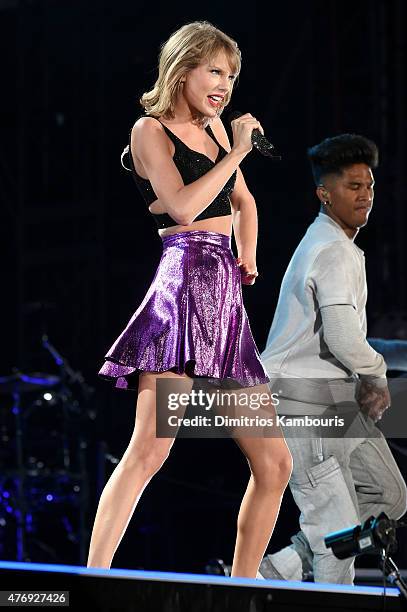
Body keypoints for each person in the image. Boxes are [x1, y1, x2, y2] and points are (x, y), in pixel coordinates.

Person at [87, 21, 292, 577]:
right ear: (183, 69)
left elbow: (244, 201)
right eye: (215, 71)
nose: (225, 84)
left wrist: (247, 255)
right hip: (182, 282)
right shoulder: (149, 130)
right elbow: (180, 207)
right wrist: (237, 155)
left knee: (274, 462)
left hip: (223, 291)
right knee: (151, 450)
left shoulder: (220, 130)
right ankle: (93, 577)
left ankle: (241, 588)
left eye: (232, 75)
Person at [257, 134, 407, 584]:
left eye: (369, 186)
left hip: (335, 401)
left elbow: (343, 341)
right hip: (305, 400)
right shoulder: (331, 251)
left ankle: (279, 570)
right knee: (337, 533)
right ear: (324, 193)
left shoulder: (334, 244)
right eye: (352, 186)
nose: (365, 195)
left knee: (388, 495)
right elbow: (343, 339)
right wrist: (377, 377)